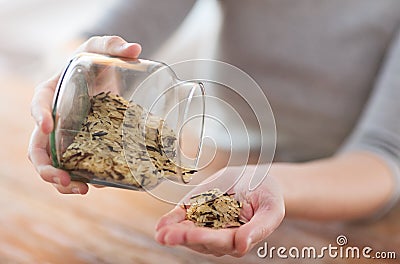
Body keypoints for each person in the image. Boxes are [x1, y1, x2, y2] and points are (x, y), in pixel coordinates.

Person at [29, 0, 400, 257]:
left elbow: (384, 155)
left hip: (343, 212)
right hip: (212, 167)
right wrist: (73, 80)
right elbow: (90, 39)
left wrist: (274, 184)